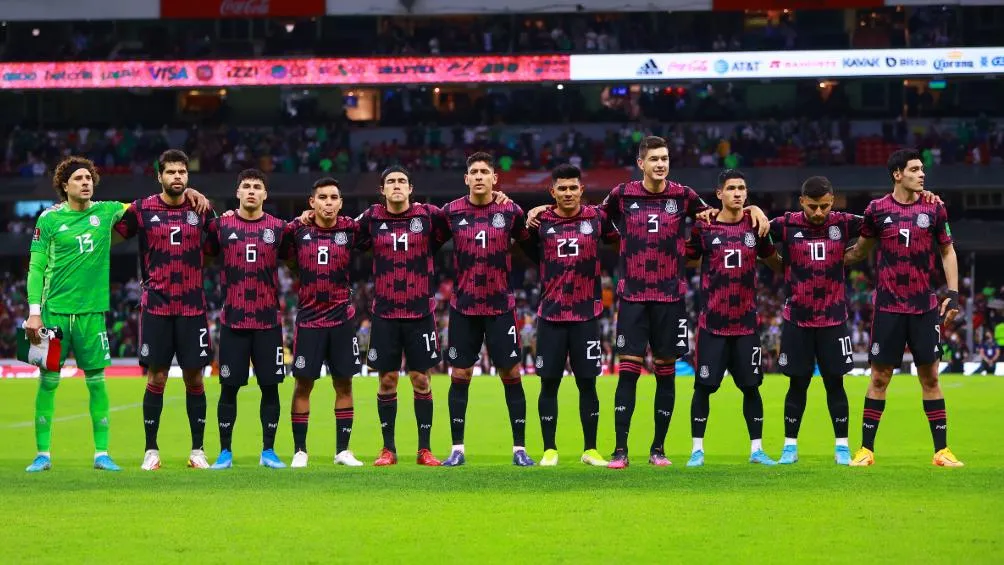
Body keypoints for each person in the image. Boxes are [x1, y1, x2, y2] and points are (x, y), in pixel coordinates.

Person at [531, 136, 768, 469]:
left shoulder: (684, 196)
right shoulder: (622, 194)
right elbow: (590, 216)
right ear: (641, 163)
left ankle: (658, 449)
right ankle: (620, 450)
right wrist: (547, 208)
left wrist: (753, 208)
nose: (661, 164)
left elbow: (721, 214)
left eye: (665, 158)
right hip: (633, 297)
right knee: (628, 374)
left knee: (665, 375)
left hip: (670, 298)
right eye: (654, 158)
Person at [844, 148, 963, 467]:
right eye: (914, 169)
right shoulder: (876, 210)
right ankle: (866, 450)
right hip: (888, 307)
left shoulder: (935, 208)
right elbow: (860, 251)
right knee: (879, 377)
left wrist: (952, 291)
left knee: (931, 378)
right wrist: (825, 258)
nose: (922, 174)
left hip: (924, 307)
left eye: (922, 169)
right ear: (897, 174)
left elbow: (947, 252)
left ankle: (942, 451)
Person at [23, 157, 128, 472]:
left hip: (92, 313)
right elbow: (36, 267)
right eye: (79, 178)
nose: (86, 182)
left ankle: (102, 454)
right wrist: (33, 313)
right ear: (64, 186)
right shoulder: (49, 219)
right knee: (48, 382)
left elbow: (146, 207)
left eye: (89, 178)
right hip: (52, 314)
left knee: (97, 383)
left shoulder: (106, 211)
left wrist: (191, 194)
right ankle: (42, 454)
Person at [114, 149, 215, 471]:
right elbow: (111, 234)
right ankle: (151, 451)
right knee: (156, 376)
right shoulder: (142, 209)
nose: (177, 177)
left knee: (194, 377)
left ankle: (197, 450)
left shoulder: (201, 209)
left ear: (188, 176)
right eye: (170, 172)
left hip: (192, 307)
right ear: (159, 176)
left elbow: (218, 244)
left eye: (182, 173)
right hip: (156, 308)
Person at [440, 152, 534, 468]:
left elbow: (533, 243)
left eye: (485, 172)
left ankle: (520, 448)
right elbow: (422, 240)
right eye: (474, 172)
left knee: (511, 372)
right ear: (466, 179)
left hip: (500, 307)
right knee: (460, 373)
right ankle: (457, 449)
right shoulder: (450, 212)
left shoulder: (510, 210)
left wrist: (543, 210)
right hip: (463, 306)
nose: (479, 176)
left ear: (495, 178)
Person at [521, 164, 618, 466]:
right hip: (550, 315)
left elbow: (621, 238)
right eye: (561, 188)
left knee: (587, 383)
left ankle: (590, 449)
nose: (567, 193)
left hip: (586, 315)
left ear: (581, 190)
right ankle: (550, 449)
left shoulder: (597, 218)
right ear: (553, 191)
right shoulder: (540, 222)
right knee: (548, 383)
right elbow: (523, 246)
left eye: (572, 187)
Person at [685, 170, 781, 467]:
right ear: (719, 194)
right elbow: (687, 258)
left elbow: (774, 262)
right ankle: (697, 450)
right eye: (731, 189)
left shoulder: (755, 226)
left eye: (742, 189)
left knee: (751, 387)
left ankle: (756, 450)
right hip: (712, 324)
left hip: (746, 325)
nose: (738, 193)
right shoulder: (705, 228)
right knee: (703, 388)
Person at [356, 166, 451, 466]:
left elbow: (467, 215)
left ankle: (424, 449)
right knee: (386, 381)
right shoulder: (371, 218)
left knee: (421, 379)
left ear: (411, 188)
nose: (396, 186)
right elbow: (339, 229)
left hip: (420, 312)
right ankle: (388, 449)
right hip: (385, 313)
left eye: (402, 182)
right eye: (390, 182)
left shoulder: (429, 216)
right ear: (382, 190)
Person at [203, 169, 290, 469]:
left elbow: (296, 253)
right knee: (228, 388)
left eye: (257, 187)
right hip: (233, 321)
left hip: (268, 322)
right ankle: (225, 451)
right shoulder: (221, 226)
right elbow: (203, 251)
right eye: (246, 186)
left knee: (271, 387)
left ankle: (269, 451)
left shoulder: (279, 228)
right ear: (237, 192)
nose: (251, 191)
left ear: (265, 194)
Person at [770, 176, 859, 465]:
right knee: (797, 385)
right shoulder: (786, 223)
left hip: (833, 319)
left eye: (823, 206)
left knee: (835, 384)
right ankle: (790, 447)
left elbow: (882, 220)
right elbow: (750, 228)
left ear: (832, 201)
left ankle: (842, 447)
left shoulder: (844, 223)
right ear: (801, 203)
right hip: (797, 320)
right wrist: (755, 212)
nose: (818, 212)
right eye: (812, 207)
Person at [285, 178, 364, 468]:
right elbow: (271, 236)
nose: (328, 202)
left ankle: (342, 451)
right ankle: (300, 451)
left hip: (342, 320)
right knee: (303, 385)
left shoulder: (351, 229)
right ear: (312, 202)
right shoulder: (296, 230)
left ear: (341, 203)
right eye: (323, 197)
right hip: (309, 320)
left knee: (344, 385)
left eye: (333, 197)